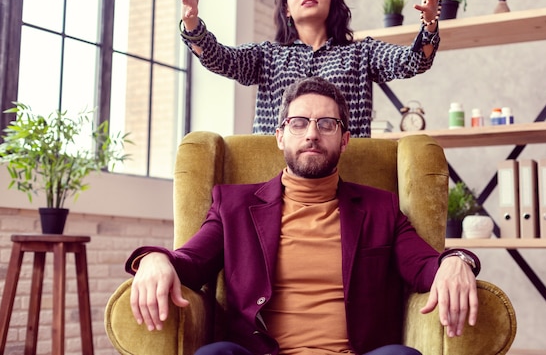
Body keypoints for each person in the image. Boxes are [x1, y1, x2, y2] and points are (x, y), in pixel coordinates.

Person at [127, 77, 480, 355]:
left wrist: (457, 261)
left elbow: (423, 266)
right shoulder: (232, 205)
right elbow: (190, 262)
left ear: (344, 140)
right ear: (280, 136)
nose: (312, 134)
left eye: (327, 124)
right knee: (215, 353)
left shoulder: (381, 208)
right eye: (299, 123)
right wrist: (155, 259)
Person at [179, 0, 442, 138]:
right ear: (286, 9)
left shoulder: (363, 53)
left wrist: (429, 24)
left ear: (333, 1)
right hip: (278, 176)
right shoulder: (267, 55)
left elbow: (413, 61)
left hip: (345, 175)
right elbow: (219, 58)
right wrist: (191, 20)